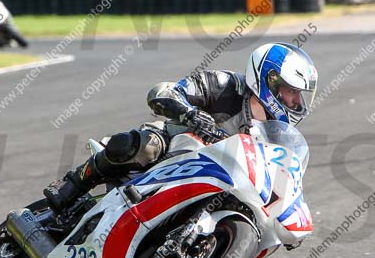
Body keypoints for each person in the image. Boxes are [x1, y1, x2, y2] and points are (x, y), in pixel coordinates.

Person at [44, 43, 318, 212]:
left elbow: (284, 180)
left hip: (222, 186)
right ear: (269, 80)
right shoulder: (225, 86)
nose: (296, 100)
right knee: (143, 146)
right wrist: (191, 114)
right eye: (291, 91)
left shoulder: (278, 137)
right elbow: (164, 92)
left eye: (299, 95)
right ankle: (75, 183)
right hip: (177, 151)